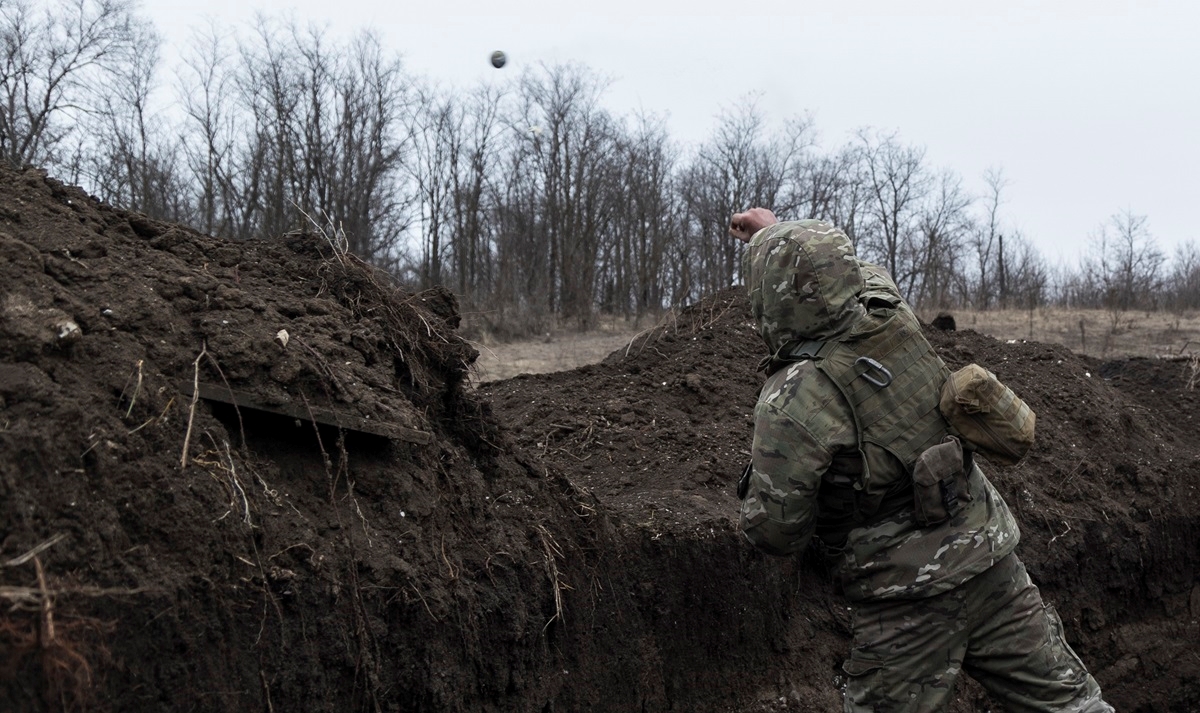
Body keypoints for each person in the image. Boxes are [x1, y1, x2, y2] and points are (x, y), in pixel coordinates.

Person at [728, 208, 1112, 713]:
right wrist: (778, 231)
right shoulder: (890, 309)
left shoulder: (790, 400)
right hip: (990, 556)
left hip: (903, 599)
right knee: (1073, 707)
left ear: (765, 295)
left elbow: (774, 533)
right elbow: (849, 273)